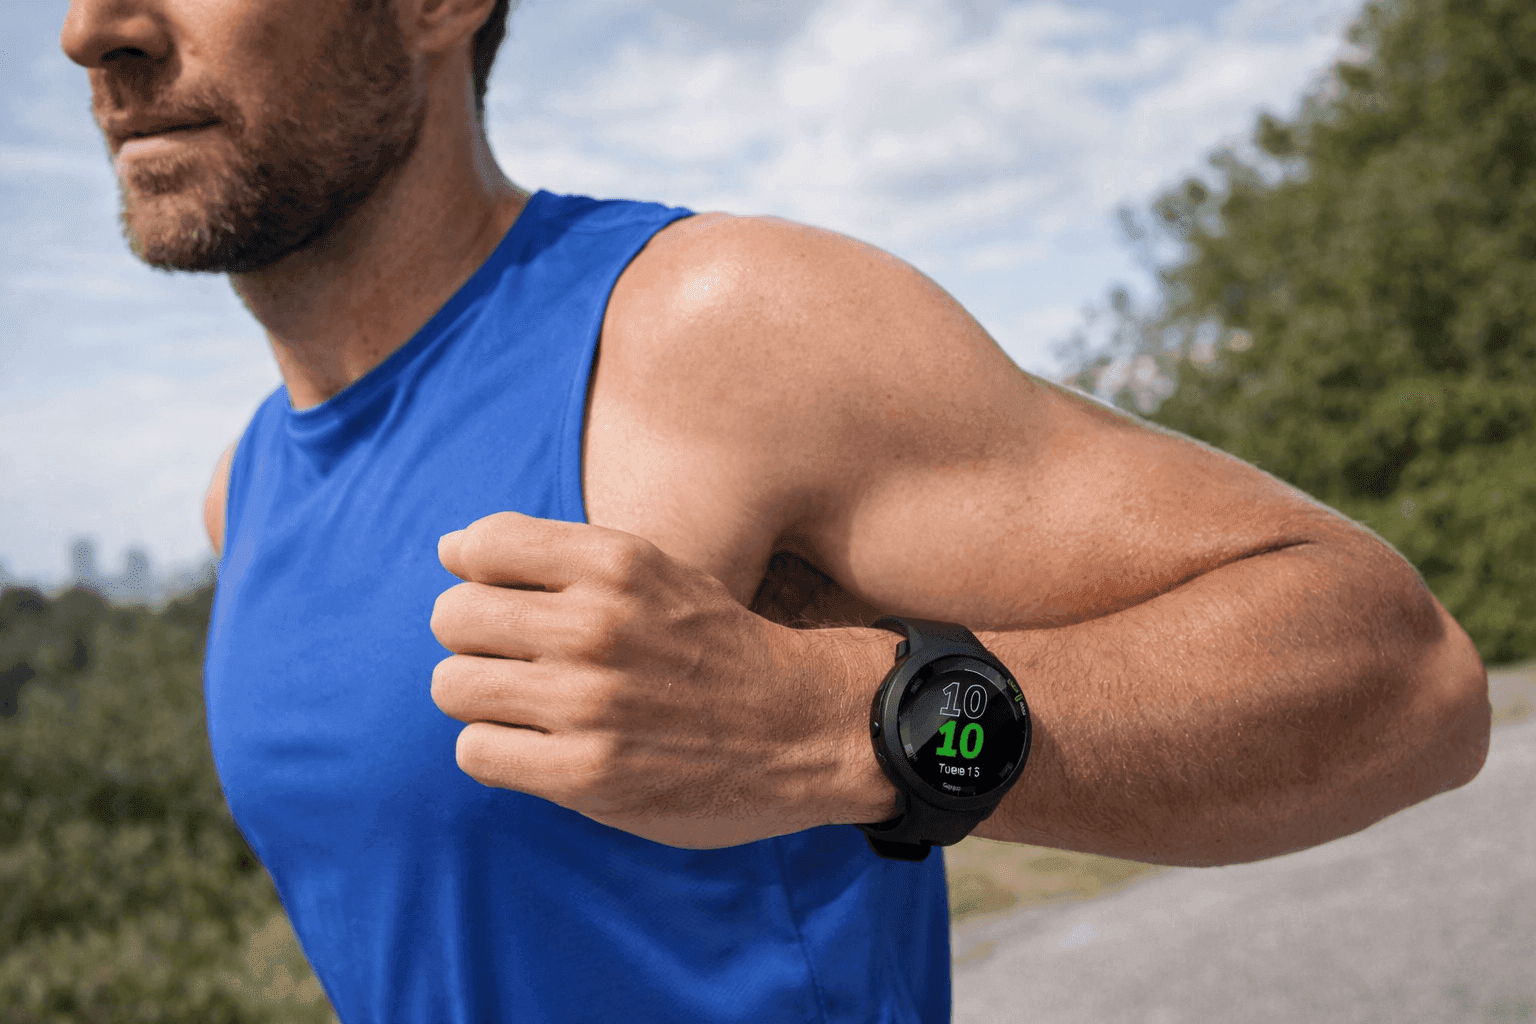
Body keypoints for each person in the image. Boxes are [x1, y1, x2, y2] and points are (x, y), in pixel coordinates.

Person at [63, 0, 1491, 1020]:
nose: (92, 32)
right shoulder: (241, 494)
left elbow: (1401, 671)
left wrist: (835, 722)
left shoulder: (710, 331)